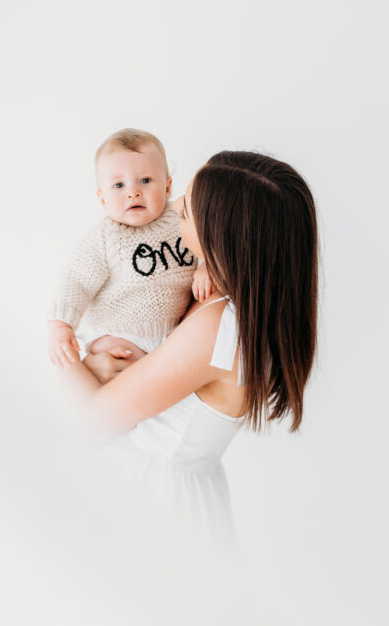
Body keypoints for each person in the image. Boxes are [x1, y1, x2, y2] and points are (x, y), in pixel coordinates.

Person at [56, 151, 319, 547]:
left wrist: (67, 355)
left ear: (222, 240)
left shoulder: (218, 329)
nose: (174, 206)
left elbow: (96, 422)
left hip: (158, 506)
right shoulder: (237, 295)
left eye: (186, 213)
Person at [45, 128, 213, 368]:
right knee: (113, 361)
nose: (133, 192)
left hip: (173, 332)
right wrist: (59, 325)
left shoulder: (181, 217)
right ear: (102, 199)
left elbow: (210, 243)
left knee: (188, 361)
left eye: (145, 181)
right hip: (118, 332)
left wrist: (208, 266)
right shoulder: (105, 236)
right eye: (118, 185)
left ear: (167, 188)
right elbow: (75, 280)